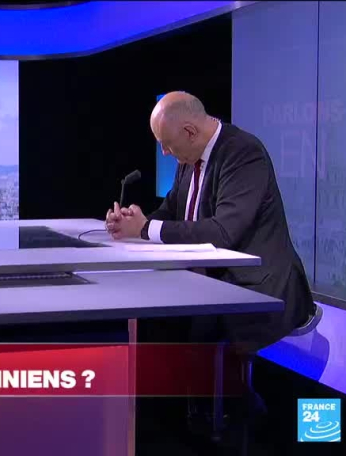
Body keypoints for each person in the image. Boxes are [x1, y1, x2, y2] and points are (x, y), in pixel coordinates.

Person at [105, 91, 314, 353]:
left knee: (186, 333)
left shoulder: (244, 154)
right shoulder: (189, 156)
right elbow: (171, 210)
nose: (165, 152)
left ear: (190, 132)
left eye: (167, 144)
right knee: (152, 312)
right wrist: (132, 223)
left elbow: (223, 232)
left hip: (255, 286)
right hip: (206, 279)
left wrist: (146, 228)